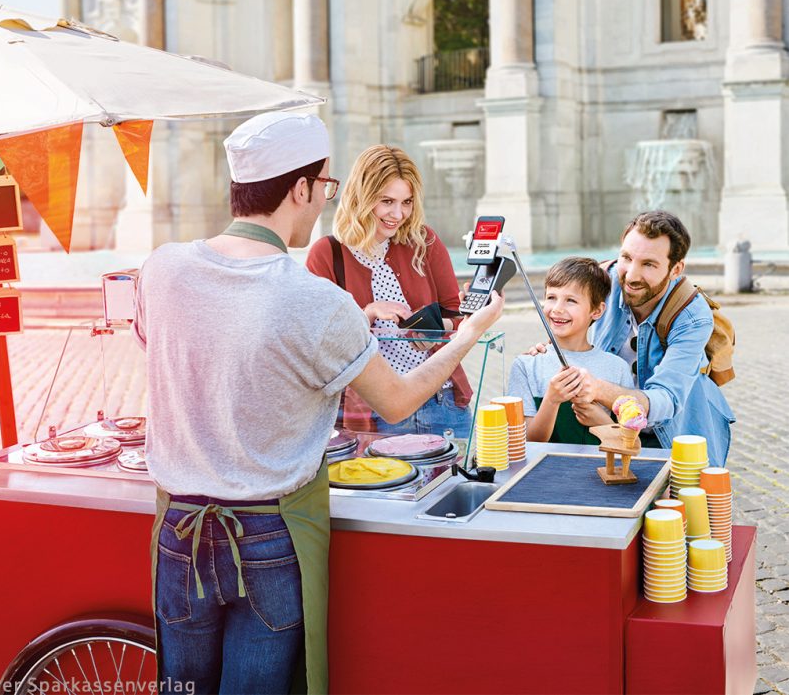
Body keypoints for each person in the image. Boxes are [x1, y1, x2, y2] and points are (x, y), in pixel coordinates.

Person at [133, 112, 504, 694]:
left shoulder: (160, 268)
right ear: (301, 190)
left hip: (177, 531)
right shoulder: (316, 298)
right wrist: (468, 334)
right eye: (324, 187)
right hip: (268, 535)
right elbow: (400, 400)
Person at [534, 211, 734, 465]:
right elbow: (569, 316)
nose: (630, 275)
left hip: (672, 433)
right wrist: (553, 347)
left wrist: (596, 388)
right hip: (611, 425)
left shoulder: (693, 316)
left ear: (676, 269)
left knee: (680, 502)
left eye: (648, 264)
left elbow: (667, 399)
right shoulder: (604, 279)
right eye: (627, 258)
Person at [306, 145, 473, 437]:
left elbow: (457, 317)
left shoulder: (425, 242)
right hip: (373, 412)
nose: (399, 214)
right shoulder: (326, 254)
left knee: (453, 484)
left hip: (442, 403)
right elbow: (319, 341)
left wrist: (434, 330)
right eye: (387, 201)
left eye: (407, 202)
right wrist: (367, 313)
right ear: (362, 197)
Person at [508, 257, 634, 444]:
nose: (557, 309)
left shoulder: (618, 368)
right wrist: (551, 400)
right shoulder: (525, 365)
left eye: (571, 300)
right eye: (551, 297)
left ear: (597, 311)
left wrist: (601, 421)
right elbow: (527, 441)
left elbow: (627, 443)